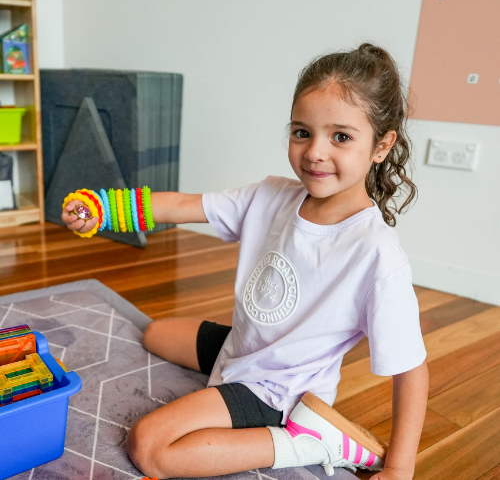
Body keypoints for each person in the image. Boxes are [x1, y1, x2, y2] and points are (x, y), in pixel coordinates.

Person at [62, 43, 428, 480]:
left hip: (279, 389)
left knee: (151, 445)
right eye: (302, 132)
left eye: (341, 137)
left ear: (381, 146)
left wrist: (400, 467)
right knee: (155, 334)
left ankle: (306, 441)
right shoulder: (271, 195)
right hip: (246, 348)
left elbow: (411, 370)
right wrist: (104, 208)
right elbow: (181, 205)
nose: (315, 152)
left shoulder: (376, 253)